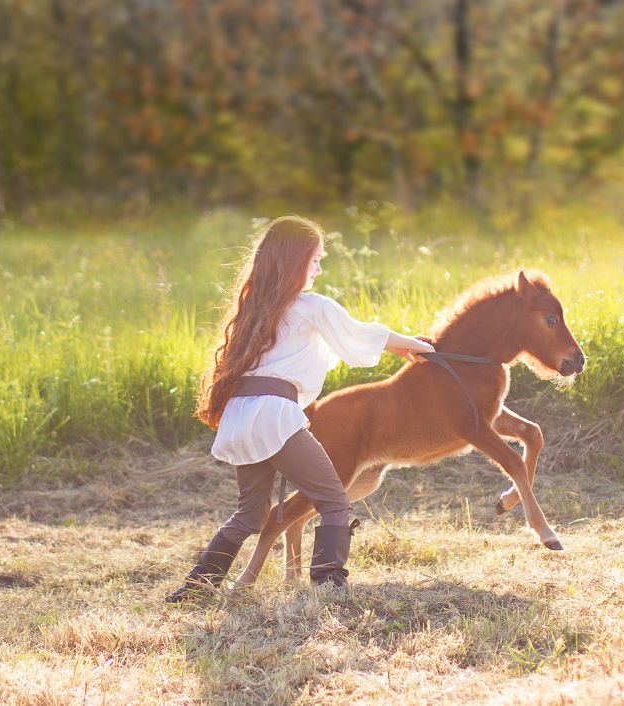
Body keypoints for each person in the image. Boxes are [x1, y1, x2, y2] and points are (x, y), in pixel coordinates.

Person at [166, 215, 434, 603]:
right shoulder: (309, 305)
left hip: (243, 416)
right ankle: (328, 588)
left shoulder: (256, 310)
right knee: (334, 500)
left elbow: (316, 355)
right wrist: (414, 344)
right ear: (294, 261)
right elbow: (357, 335)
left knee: (250, 514)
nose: (319, 269)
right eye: (315, 260)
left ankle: (195, 589)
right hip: (274, 416)